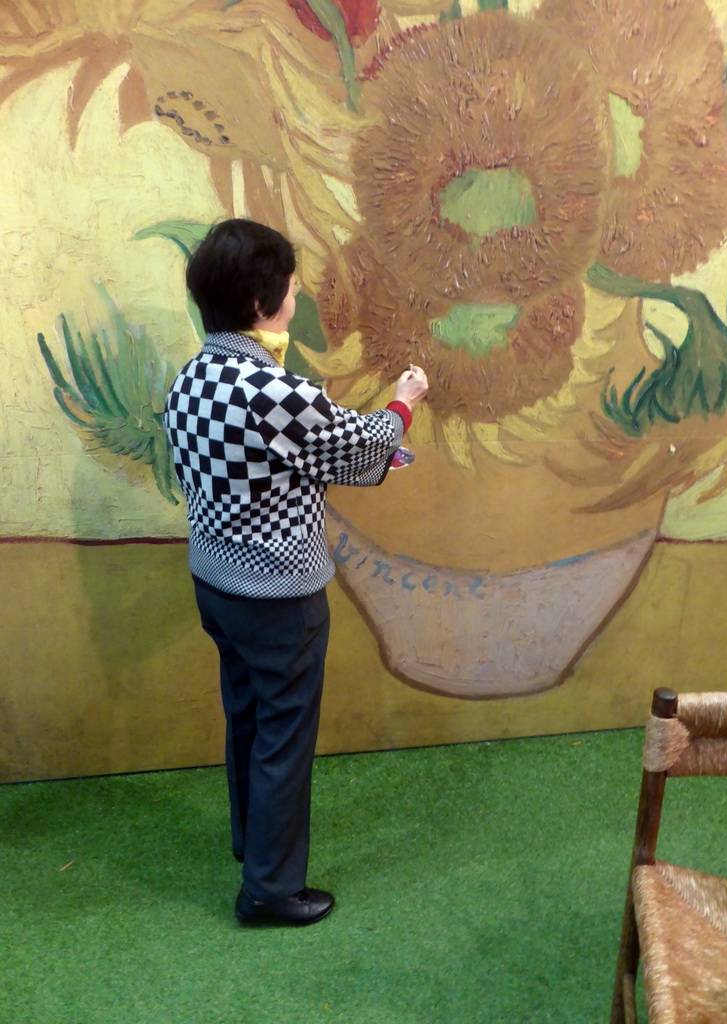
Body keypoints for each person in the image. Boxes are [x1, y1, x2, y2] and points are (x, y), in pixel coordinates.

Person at [163, 219, 428, 926]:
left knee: (246, 718)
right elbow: (362, 447)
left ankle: (252, 843)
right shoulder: (274, 390)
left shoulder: (193, 377)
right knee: (284, 737)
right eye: (289, 285)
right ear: (261, 302)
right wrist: (405, 398)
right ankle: (271, 890)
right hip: (277, 594)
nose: (295, 295)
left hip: (216, 583)